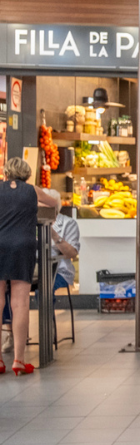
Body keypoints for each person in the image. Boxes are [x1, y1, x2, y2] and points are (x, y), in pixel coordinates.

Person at [0, 158, 57, 374]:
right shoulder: (32, 190)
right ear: (27, 174)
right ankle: (18, 360)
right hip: (22, 247)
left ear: (6, 173)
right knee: (20, 303)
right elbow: (53, 204)